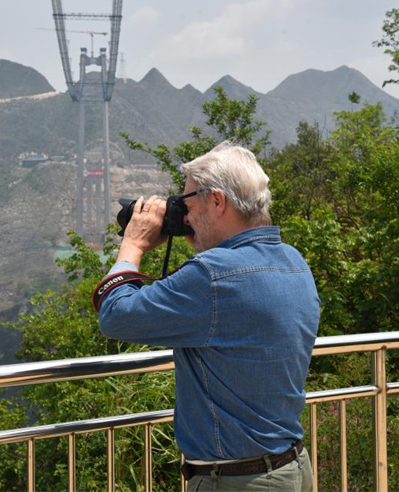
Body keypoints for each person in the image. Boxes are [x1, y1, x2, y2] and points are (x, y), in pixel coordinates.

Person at [93, 142, 320, 491]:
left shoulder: (212, 277)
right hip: (291, 468)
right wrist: (202, 239)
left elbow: (115, 315)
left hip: (236, 481)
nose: (183, 217)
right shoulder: (292, 261)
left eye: (187, 204)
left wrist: (133, 245)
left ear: (216, 201)